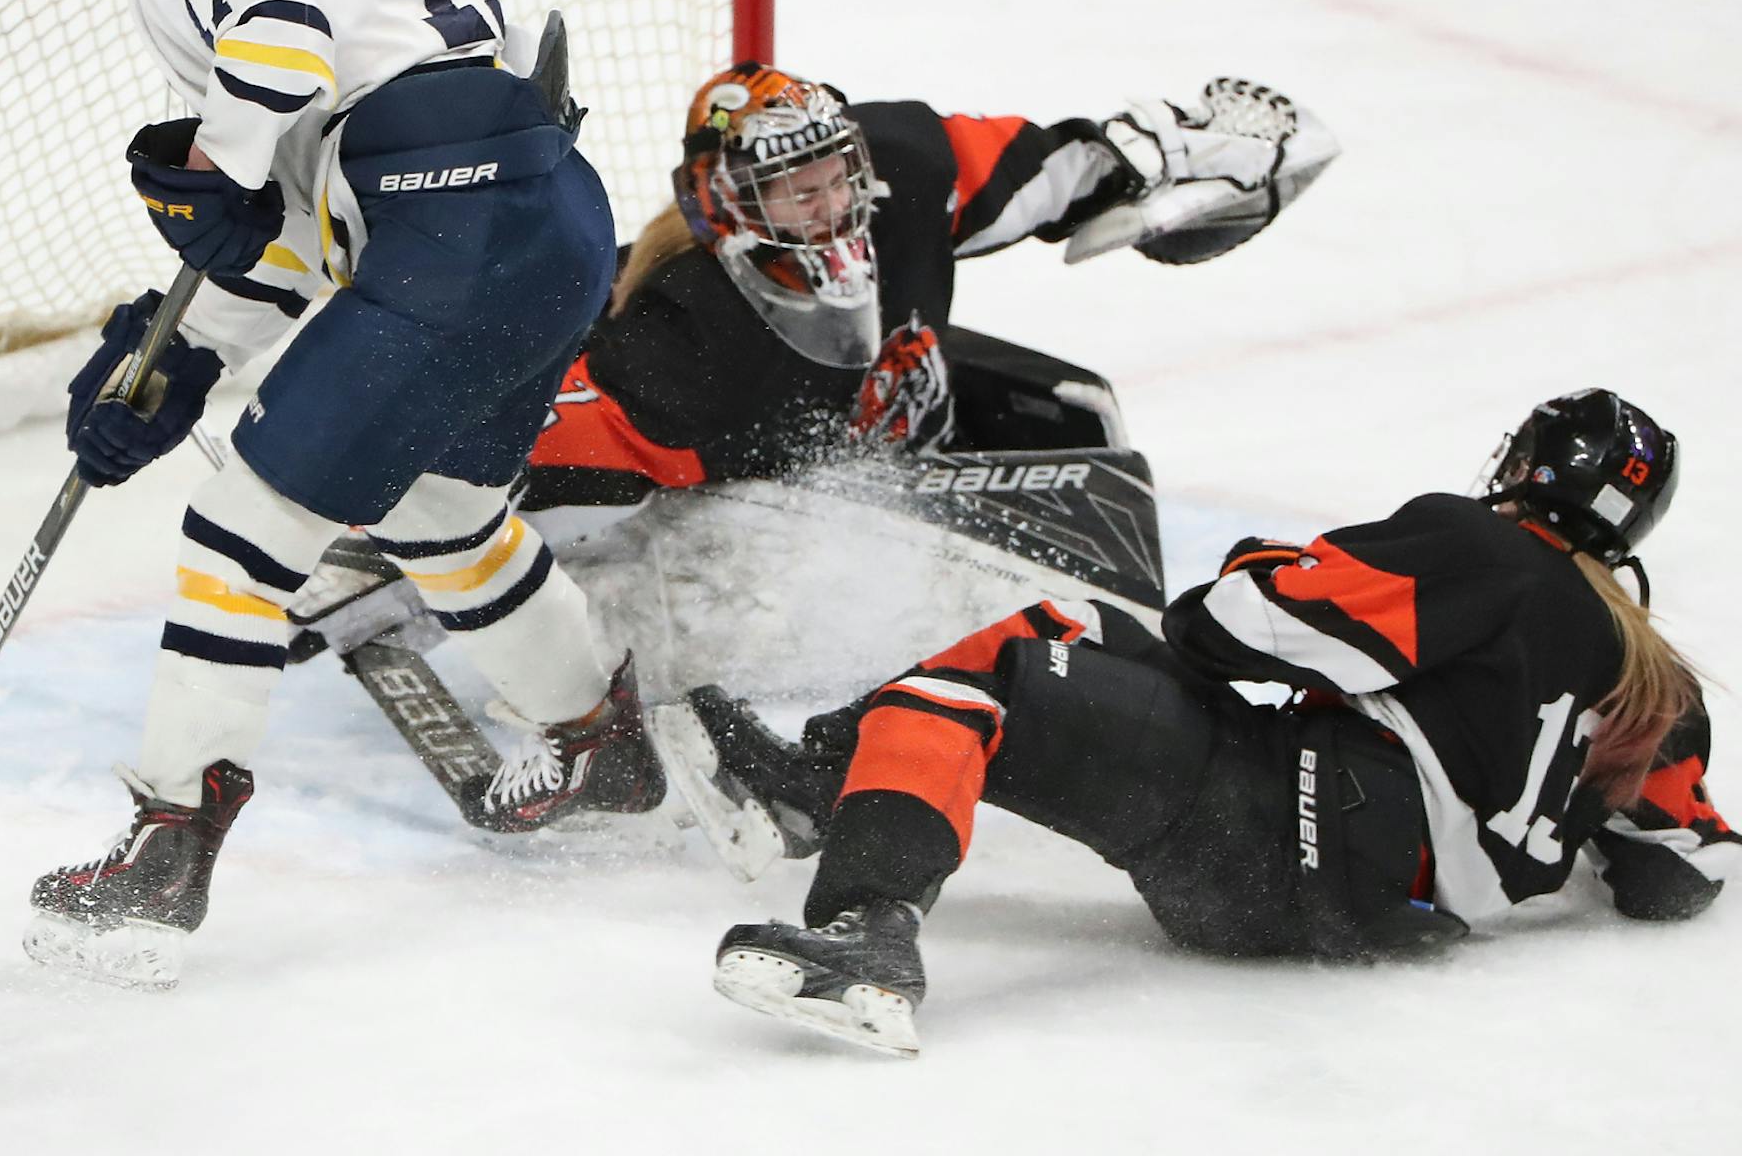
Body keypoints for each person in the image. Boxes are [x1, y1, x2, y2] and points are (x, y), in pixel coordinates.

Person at [24, 0, 663, 986]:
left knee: (240, 531)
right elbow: (310, 231)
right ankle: (599, 735)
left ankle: (167, 835)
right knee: (438, 512)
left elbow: (269, 59)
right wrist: (172, 364)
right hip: (541, 221)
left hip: (455, 215)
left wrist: (207, 169)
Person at [654, 389, 1734, 1056]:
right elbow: (1676, 873)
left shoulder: (1481, 551)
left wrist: (1267, 565)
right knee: (1063, 628)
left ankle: (862, 935)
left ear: (1526, 467)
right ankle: (817, 789)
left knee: (989, 684)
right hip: (1356, 914)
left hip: (1268, 834)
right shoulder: (1661, 689)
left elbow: (1226, 626)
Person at [520, 64, 1338, 538]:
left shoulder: (908, 172)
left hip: (923, 469)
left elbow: (1063, 172)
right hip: (775, 533)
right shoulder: (678, 341)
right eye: (794, 193)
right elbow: (527, 447)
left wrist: (1165, 155)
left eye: (836, 177)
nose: (830, 208)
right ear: (726, 204)